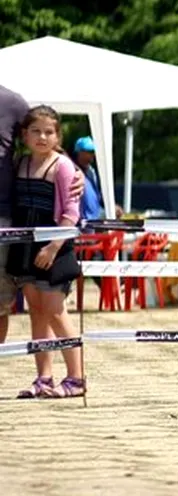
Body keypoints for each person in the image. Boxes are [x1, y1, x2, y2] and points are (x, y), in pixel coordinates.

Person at [7, 106, 85, 397]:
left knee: (55, 310)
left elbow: (71, 213)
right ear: (25, 135)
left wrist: (54, 247)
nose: (42, 137)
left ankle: (76, 378)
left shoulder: (63, 166)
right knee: (36, 312)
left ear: (58, 135)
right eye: (36, 131)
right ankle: (44, 377)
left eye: (49, 132)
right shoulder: (21, 163)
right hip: (24, 246)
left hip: (55, 244)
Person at [0, 85, 82, 345]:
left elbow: (44, 134)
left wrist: (75, 171)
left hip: (4, 223)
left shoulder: (11, 102)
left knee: (0, 304)